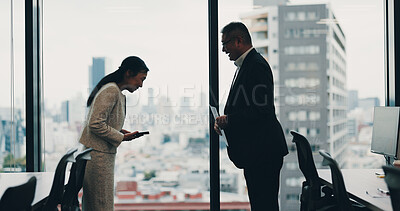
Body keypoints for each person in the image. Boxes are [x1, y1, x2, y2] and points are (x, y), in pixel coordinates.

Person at [214, 22, 289, 211]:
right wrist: (225, 121)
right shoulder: (247, 65)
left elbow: (260, 110)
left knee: (264, 205)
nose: (223, 49)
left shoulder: (256, 65)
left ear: (239, 41)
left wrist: (229, 120)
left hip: (263, 151)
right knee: (261, 204)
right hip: (258, 151)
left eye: (225, 43)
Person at [79, 56, 149, 211]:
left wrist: (119, 133)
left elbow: (101, 122)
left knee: (98, 204)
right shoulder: (111, 90)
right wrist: (121, 137)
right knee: (101, 204)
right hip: (98, 157)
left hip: (100, 156)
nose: (141, 85)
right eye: (141, 79)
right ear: (129, 73)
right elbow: (95, 123)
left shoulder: (114, 91)